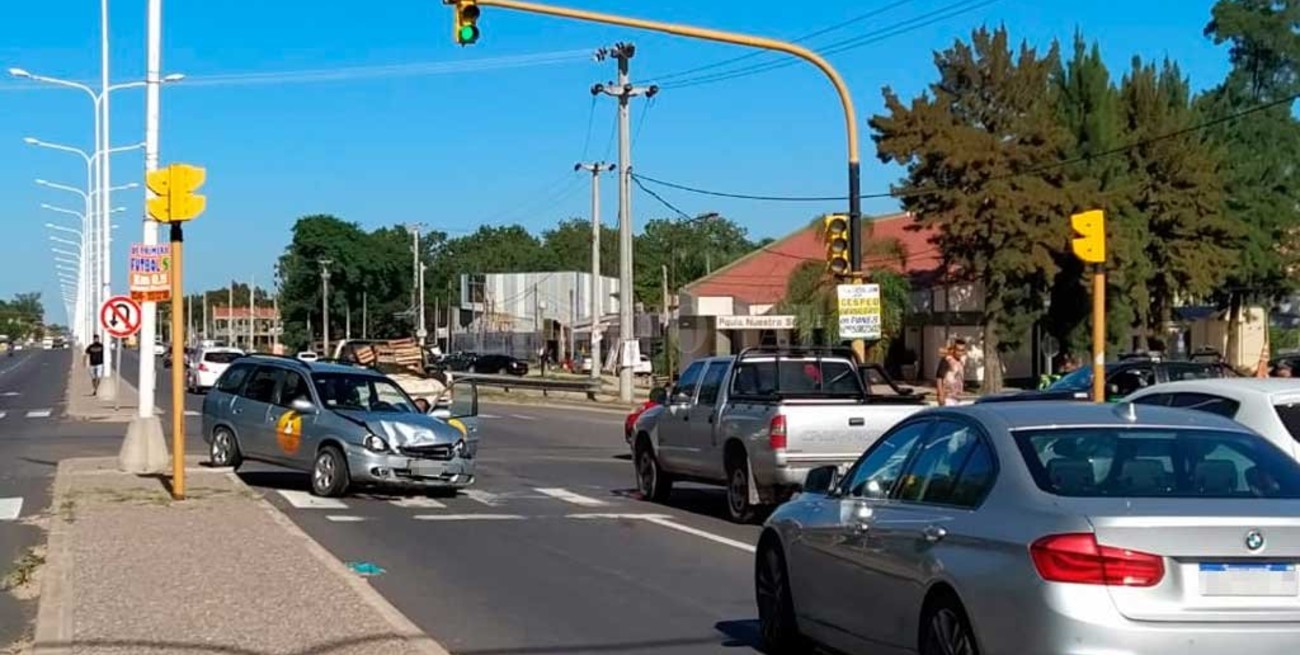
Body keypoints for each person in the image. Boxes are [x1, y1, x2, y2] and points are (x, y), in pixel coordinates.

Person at [935, 339, 968, 406]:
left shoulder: (962, 361)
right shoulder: (947, 360)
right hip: (947, 397)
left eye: (962, 350)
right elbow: (939, 377)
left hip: (957, 397)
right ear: (954, 349)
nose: (960, 353)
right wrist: (940, 395)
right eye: (958, 350)